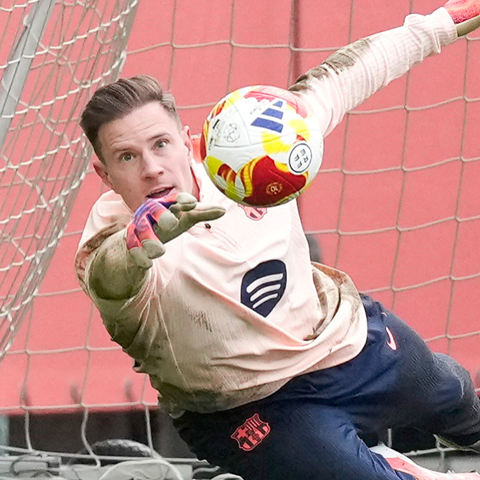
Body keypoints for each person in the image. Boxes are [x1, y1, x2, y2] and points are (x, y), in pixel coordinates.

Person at [75, 1, 480, 479]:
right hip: (248, 406)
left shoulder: (248, 148)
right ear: (104, 173)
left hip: (343, 339)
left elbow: (342, 79)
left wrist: (436, 27)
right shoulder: (111, 236)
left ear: (186, 140)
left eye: (160, 144)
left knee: (455, 399)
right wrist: (135, 246)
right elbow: (109, 277)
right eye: (127, 157)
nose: (151, 168)